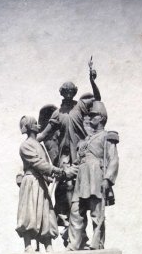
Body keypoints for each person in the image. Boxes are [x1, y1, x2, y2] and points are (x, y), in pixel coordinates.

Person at [37, 61, 101, 240]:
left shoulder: (80, 106)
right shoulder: (57, 113)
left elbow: (97, 98)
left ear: (74, 92)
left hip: (82, 154)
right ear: (61, 93)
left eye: (71, 92)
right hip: (65, 157)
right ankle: (71, 229)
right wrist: (32, 139)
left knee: (85, 193)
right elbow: (46, 133)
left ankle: (82, 233)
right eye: (65, 92)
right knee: (68, 191)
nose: (67, 94)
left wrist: (92, 81)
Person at [68, 101, 119, 250]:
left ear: (102, 118)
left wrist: (107, 179)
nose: (90, 118)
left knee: (97, 213)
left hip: (96, 175)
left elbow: (113, 159)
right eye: (89, 116)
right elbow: (79, 159)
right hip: (82, 177)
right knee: (76, 211)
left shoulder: (107, 136)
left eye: (94, 115)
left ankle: (97, 244)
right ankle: (74, 244)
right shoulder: (85, 140)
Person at [16, 115, 65, 253]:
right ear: (30, 126)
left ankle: (48, 244)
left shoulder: (39, 145)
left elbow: (45, 164)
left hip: (41, 182)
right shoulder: (25, 146)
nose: (38, 126)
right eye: (35, 123)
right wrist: (54, 170)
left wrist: (51, 177)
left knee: (46, 213)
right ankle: (28, 245)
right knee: (30, 213)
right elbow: (37, 163)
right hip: (31, 182)